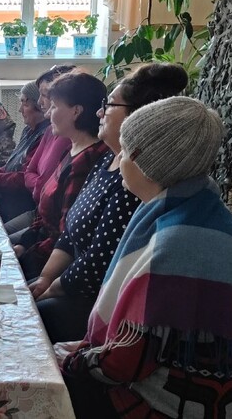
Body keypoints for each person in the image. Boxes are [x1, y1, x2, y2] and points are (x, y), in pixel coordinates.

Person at [56, 96, 232, 418]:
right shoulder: (201, 214)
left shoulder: (177, 248)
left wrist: (71, 359)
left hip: (158, 406)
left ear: (144, 160)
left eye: (124, 150)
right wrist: (86, 348)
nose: (119, 158)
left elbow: (126, 363)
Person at [30, 63, 188, 343]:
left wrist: (52, 288)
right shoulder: (107, 159)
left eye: (109, 105)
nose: (100, 112)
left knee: (25, 323)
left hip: (97, 298)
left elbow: (98, 262)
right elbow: (69, 235)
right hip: (68, 281)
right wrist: (44, 279)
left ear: (136, 116)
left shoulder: (135, 179)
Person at [10, 72, 109, 280]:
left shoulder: (87, 163)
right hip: (38, 244)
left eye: (54, 106)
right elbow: (43, 215)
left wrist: (24, 258)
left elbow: (64, 237)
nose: (47, 114)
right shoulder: (71, 149)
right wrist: (22, 244)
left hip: (52, 264)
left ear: (76, 111)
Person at [0, 65, 77, 233]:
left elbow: (40, 186)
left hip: (39, 216)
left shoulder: (64, 138)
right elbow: (29, 172)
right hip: (38, 213)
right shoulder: (48, 131)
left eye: (45, 95)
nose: (42, 103)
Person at [0, 81, 49, 221]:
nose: (20, 109)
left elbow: (26, 178)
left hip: (20, 204)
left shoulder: (45, 135)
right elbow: (13, 163)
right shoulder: (29, 130)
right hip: (6, 195)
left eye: (25, 104)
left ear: (40, 107)